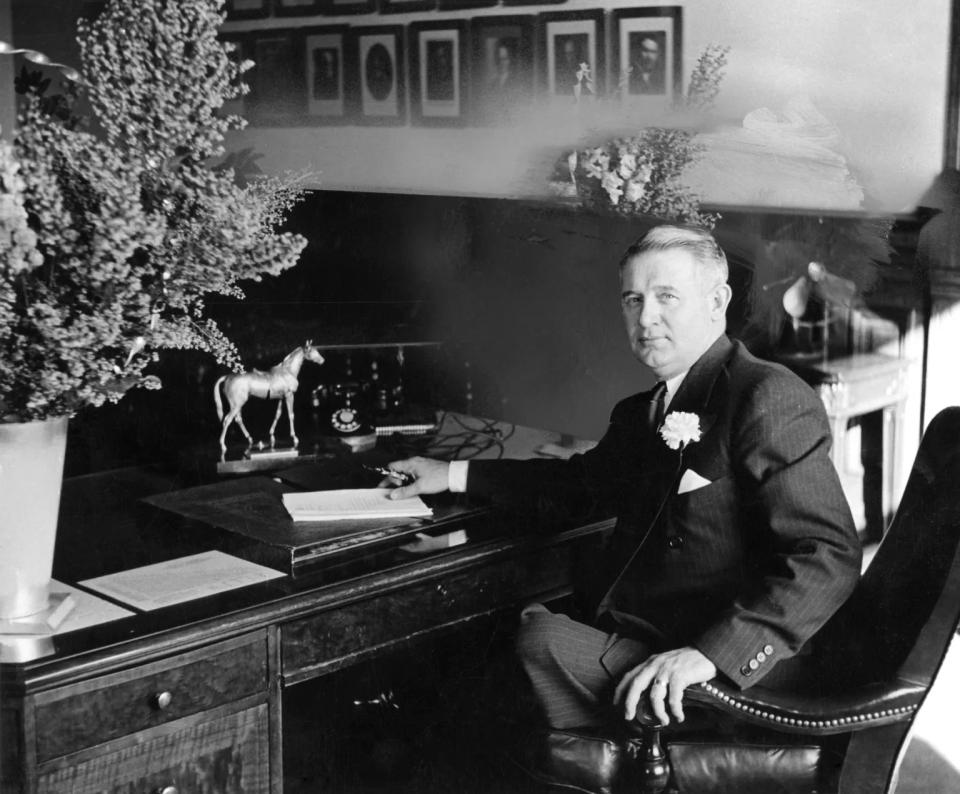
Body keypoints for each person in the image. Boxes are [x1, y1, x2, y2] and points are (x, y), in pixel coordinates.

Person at [383, 224, 861, 733]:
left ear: (717, 301)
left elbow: (827, 555)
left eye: (666, 297)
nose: (646, 317)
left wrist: (708, 656)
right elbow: (577, 486)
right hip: (647, 633)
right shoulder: (643, 412)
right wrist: (452, 473)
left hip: (729, 669)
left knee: (524, 644)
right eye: (632, 299)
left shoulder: (766, 395)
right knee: (490, 649)